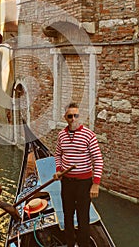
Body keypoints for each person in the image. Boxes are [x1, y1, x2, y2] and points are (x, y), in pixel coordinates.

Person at [53, 102, 103, 247]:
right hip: (67, 182)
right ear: (65, 118)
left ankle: (83, 244)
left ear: (79, 116)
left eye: (76, 115)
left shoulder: (89, 135)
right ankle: (70, 244)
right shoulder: (61, 135)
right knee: (67, 216)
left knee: (83, 217)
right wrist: (59, 169)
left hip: (84, 183)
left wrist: (96, 183)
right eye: (70, 116)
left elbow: (98, 159)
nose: (73, 119)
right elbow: (58, 154)